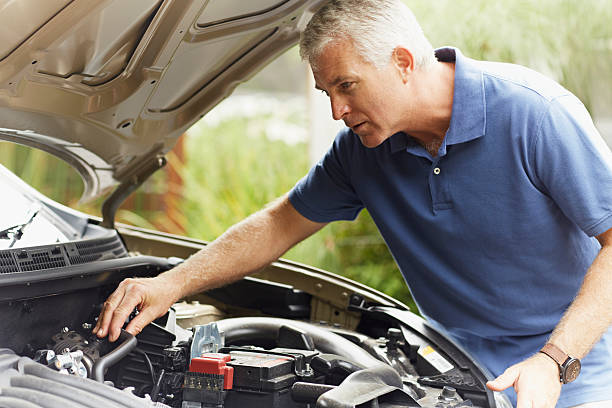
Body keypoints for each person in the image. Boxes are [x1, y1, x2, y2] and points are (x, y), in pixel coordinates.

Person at [93, 1, 612, 406]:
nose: (339, 109)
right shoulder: (362, 152)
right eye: (327, 94)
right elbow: (279, 223)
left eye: (347, 86)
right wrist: (170, 283)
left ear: (403, 63)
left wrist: (553, 361)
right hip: (458, 367)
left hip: (581, 365)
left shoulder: (534, 115)